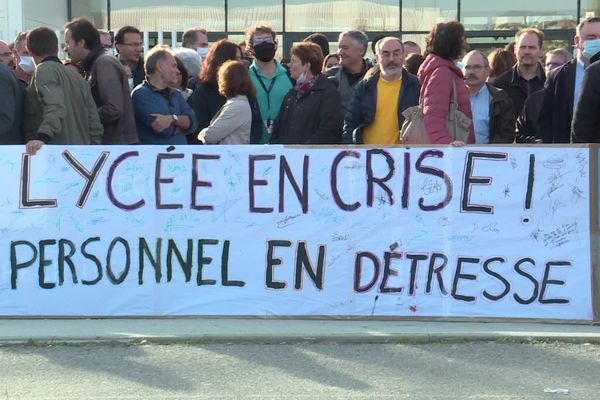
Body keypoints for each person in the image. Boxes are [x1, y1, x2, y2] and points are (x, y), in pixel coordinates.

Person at [23, 27, 103, 155]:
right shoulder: (77, 77)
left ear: (29, 51)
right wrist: (91, 150)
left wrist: (42, 137)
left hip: (55, 153)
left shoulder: (43, 70)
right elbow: (94, 122)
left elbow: (55, 106)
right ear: (56, 48)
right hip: (81, 153)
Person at [64, 17, 138, 144]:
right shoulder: (95, 65)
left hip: (115, 147)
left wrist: (82, 117)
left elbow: (114, 109)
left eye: (67, 42)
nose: (65, 48)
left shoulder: (103, 63)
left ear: (81, 43)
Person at [343, 37, 419, 144]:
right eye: (386, 54)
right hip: (368, 157)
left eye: (396, 54)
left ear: (403, 56)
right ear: (377, 58)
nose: (391, 59)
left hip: (403, 156)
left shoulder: (416, 85)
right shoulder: (365, 87)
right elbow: (350, 123)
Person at [539, 17, 600, 143]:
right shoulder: (557, 76)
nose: (598, 42)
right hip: (566, 151)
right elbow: (546, 119)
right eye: (591, 37)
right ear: (577, 41)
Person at [270, 42, 342, 144]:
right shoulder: (292, 94)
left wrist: (303, 151)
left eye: (293, 61)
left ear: (307, 65)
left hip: (312, 157)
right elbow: (277, 129)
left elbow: (329, 131)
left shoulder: (328, 94)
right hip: (288, 157)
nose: (289, 65)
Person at [418, 21, 475, 145]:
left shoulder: (444, 71)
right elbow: (433, 115)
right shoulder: (442, 73)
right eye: (463, 39)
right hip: (452, 151)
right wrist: (445, 144)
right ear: (452, 43)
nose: (465, 44)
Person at [131, 45, 198, 145]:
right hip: (155, 158)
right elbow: (164, 130)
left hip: (180, 157)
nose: (178, 71)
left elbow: (194, 124)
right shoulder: (140, 94)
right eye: (174, 66)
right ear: (160, 66)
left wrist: (172, 119)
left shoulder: (176, 94)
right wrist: (184, 126)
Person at [188, 39, 246, 143]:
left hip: (241, 152)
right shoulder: (203, 92)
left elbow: (256, 124)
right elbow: (199, 128)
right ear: (224, 61)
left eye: (241, 58)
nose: (241, 63)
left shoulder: (244, 91)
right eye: (237, 59)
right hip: (211, 154)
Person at [245, 23, 293, 144]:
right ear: (251, 47)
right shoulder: (245, 76)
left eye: (268, 40)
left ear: (275, 44)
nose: (264, 44)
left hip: (285, 143)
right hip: (253, 144)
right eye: (259, 41)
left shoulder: (289, 74)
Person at [516, 48, 573, 142]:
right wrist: (533, 142)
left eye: (556, 64)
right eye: (548, 64)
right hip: (541, 153)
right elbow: (519, 133)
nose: (550, 68)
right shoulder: (534, 100)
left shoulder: (575, 96)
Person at [461, 50, 515, 143]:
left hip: (488, 155)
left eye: (477, 67)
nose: (471, 72)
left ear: (487, 70)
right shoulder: (452, 97)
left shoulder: (500, 98)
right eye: (467, 68)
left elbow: (505, 135)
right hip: (457, 154)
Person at [198, 60, 254, 144]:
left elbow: (209, 136)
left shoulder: (236, 106)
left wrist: (202, 133)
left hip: (232, 154)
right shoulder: (239, 103)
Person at [493, 28, 546, 117]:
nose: (527, 52)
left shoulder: (551, 83)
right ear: (515, 49)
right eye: (522, 47)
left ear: (541, 50)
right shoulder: (500, 84)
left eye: (532, 47)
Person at [326, 30, 372, 118]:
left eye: (345, 48)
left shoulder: (375, 76)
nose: (340, 52)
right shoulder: (329, 76)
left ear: (361, 50)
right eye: (339, 47)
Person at [0, 40, 24, 144]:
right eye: (6, 55)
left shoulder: (2, 74)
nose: (11, 58)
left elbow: (5, 119)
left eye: (10, 54)